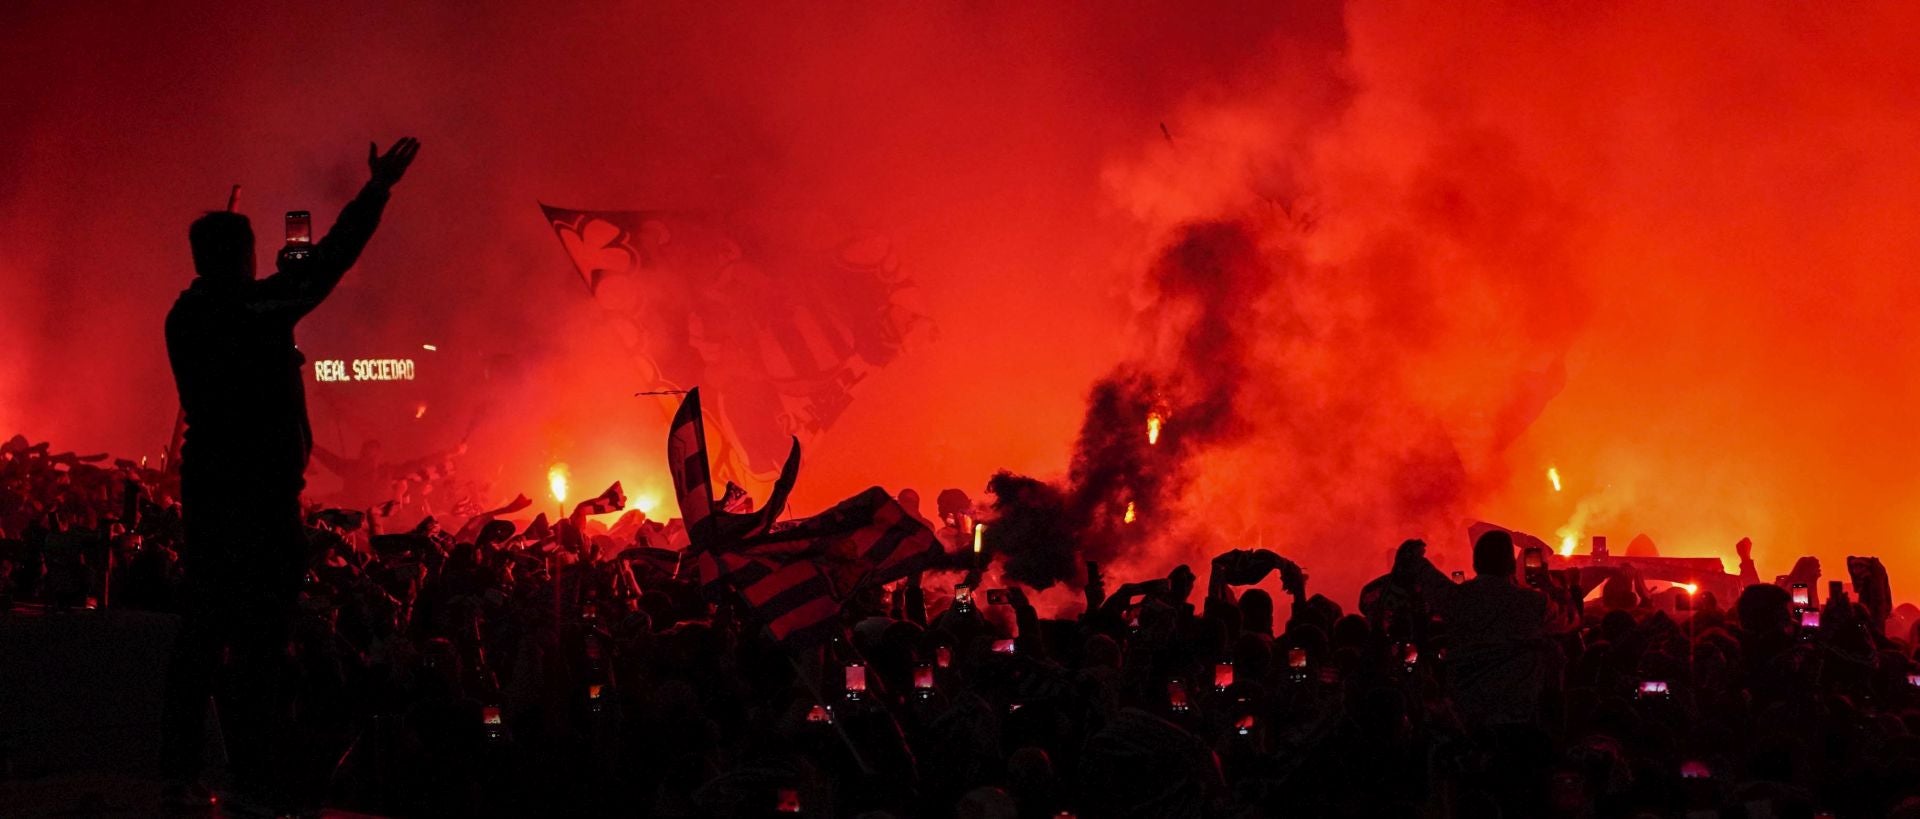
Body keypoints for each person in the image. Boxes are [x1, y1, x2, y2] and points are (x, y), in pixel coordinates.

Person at [160, 137, 420, 811]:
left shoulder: (185, 315)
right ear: (241, 257)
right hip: (259, 499)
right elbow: (331, 262)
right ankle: (253, 776)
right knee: (259, 643)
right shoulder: (255, 308)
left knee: (204, 629)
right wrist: (376, 190)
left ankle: (178, 769)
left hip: (210, 491)